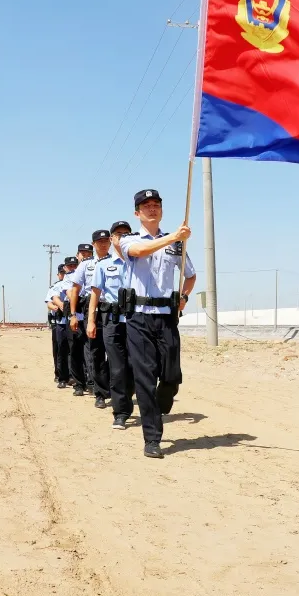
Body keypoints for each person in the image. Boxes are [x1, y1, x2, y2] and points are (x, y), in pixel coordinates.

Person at [119, 189, 196, 459]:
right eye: (146, 205)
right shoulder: (127, 240)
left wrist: (184, 296)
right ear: (137, 213)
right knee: (145, 377)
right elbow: (139, 251)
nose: (152, 209)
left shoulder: (176, 244)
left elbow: (190, 274)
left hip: (166, 316)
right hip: (138, 316)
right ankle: (152, 437)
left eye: (156, 205)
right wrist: (174, 236)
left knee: (172, 374)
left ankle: (164, 400)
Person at [88, 220, 134, 429]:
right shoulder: (103, 266)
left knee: (135, 366)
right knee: (117, 367)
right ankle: (121, 412)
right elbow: (95, 296)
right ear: (112, 238)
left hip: (135, 321)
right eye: (118, 234)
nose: (122, 238)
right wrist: (91, 321)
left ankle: (132, 396)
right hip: (112, 322)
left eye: (127, 234)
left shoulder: (139, 262)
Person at [77, 230, 112, 409]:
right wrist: (74, 314)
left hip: (112, 310)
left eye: (106, 241)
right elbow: (76, 288)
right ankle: (100, 393)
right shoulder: (86, 265)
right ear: (93, 244)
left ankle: (111, 386)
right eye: (100, 242)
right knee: (96, 351)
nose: (103, 244)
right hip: (92, 310)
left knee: (114, 353)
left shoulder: (118, 262)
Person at [65, 243, 94, 396]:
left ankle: (91, 382)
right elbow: (70, 294)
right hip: (77, 312)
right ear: (78, 256)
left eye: (88, 253)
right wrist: (73, 314)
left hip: (90, 312)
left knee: (90, 350)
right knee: (75, 350)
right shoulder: (70, 276)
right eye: (82, 253)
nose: (85, 256)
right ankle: (78, 383)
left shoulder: (97, 268)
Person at [51, 257, 79, 389]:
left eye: (75, 265)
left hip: (75, 320)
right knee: (61, 349)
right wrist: (62, 306)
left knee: (74, 350)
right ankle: (62, 377)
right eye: (69, 266)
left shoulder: (81, 280)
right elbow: (53, 299)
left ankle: (75, 377)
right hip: (62, 322)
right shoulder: (58, 285)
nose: (72, 268)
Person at [45, 264, 68, 384]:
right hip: (58, 321)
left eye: (65, 272)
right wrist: (56, 307)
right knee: (58, 349)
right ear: (58, 274)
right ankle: (59, 374)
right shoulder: (55, 287)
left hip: (70, 321)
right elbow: (49, 302)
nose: (63, 275)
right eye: (61, 273)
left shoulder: (73, 284)